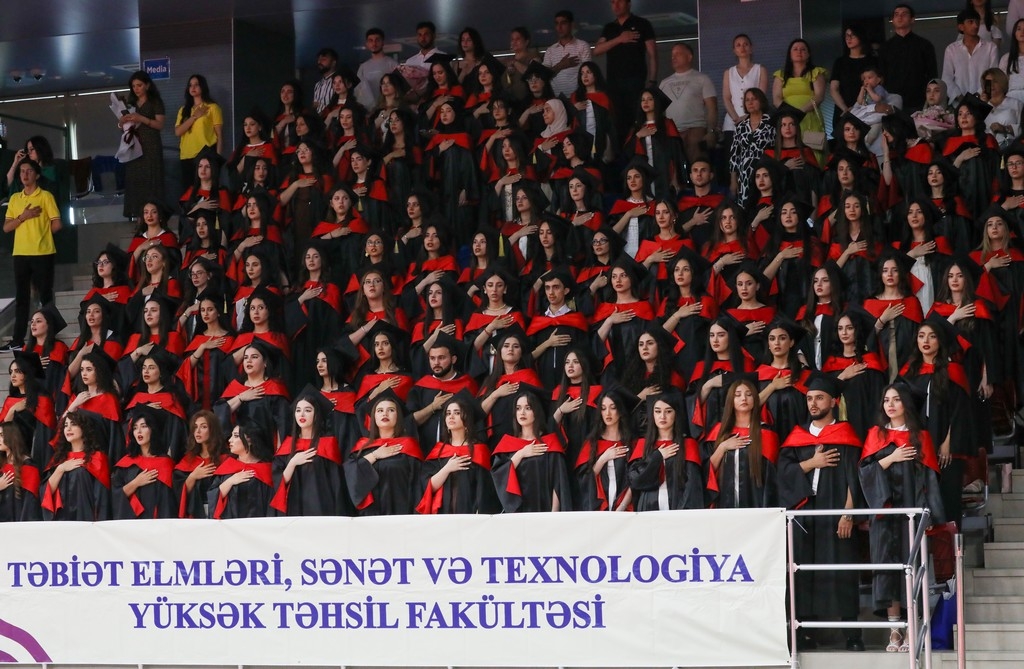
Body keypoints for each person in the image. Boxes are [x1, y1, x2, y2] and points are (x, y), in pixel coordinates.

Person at [777, 373, 865, 652]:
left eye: (819, 398)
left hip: (836, 509)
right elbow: (783, 473)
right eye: (809, 398)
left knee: (842, 569)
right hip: (804, 511)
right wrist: (812, 463)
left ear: (833, 401)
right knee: (802, 571)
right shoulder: (797, 436)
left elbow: (855, 476)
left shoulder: (846, 434)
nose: (813, 403)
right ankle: (804, 632)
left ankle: (852, 633)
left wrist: (848, 513)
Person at [859, 383, 944, 652]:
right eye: (886, 400)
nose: (890, 405)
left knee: (911, 568)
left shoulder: (921, 437)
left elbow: (930, 478)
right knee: (887, 570)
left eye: (896, 399)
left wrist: (929, 515)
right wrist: (892, 457)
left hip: (911, 514)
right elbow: (865, 473)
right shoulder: (876, 434)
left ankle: (912, 628)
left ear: (906, 403)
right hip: (885, 515)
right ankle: (894, 631)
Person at [2, 158, 62, 351]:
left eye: (29, 171)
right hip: (20, 253)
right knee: (22, 297)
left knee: (45, 295)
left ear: (36, 175)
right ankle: (18, 340)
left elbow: (57, 223)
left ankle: (50, 337)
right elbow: (6, 227)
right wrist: (23, 217)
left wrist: (42, 235)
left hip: (43, 252)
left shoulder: (45, 196)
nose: (25, 174)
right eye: (22, 171)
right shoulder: (15, 198)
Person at [491, 389, 573, 512]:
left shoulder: (549, 444)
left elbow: (558, 482)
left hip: (545, 511)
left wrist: (553, 514)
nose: (522, 412)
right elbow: (499, 475)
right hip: (518, 513)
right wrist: (521, 454)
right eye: (518, 408)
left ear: (536, 412)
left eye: (528, 408)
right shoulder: (507, 445)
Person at [417, 392, 499, 514]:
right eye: (448, 413)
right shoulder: (439, 451)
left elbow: (485, 490)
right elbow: (429, 486)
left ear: (467, 420)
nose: (451, 416)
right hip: (442, 513)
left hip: (470, 514)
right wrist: (447, 468)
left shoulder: (479, 450)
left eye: (457, 413)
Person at [345, 390, 424, 516]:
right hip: (370, 517)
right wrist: (375, 455)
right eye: (380, 410)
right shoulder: (363, 447)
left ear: (398, 416)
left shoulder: (409, 446)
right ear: (374, 417)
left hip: (402, 515)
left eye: (391, 410)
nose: (385, 413)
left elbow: (417, 486)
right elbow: (351, 474)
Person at [270, 386, 345, 516]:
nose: (302, 414)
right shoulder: (287, 446)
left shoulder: (327, 444)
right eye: (298, 410)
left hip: (322, 510)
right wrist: (292, 463)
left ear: (317, 415)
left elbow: (336, 486)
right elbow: (278, 483)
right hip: (293, 510)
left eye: (308, 410)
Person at [594, 0, 657, 144]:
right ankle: (621, 156)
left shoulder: (642, 24)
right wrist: (620, 39)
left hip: (636, 81)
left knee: (637, 121)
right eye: (613, 2)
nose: (616, 5)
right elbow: (597, 50)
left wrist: (652, 80)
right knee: (617, 124)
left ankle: (638, 153)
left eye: (619, 1)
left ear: (628, 3)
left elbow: (652, 54)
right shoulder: (610, 27)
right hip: (613, 84)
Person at [628, 392, 704, 511]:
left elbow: (692, 487)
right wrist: (657, 457)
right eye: (658, 411)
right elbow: (636, 480)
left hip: (678, 509)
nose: (662, 416)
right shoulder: (643, 445)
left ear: (676, 414)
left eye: (668, 411)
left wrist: (681, 514)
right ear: (652, 414)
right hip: (648, 508)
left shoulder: (687, 445)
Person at [40, 411, 111, 521]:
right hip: (62, 521)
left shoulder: (97, 458)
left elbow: (102, 498)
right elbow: (46, 493)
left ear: (84, 428)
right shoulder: (59, 459)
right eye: (65, 425)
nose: (68, 429)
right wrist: (61, 469)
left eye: (73, 424)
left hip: (87, 520)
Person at [111, 406, 176, 520]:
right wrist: (136, 483)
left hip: (157, 523)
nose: (139, 431)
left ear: (152, 430)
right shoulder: (126, 463)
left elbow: (168, 502)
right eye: (135, 428)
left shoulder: (165, 463)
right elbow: (114, 495)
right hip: (131, 523)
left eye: (144, 426)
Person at [660, 43, 719, 165]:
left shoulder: (702, 79)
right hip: (673, 133)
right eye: (672, 55)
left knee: (698, 166)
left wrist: (711, 132)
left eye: (678, 54)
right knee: (675, 169)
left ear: (689, 56)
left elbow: (712, 107)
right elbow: (658, 110)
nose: (673, 57)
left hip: (696, 129)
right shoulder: (664, 83)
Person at [118, 70, 166, 219]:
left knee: (151, 180)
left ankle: (155, 216)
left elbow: (160, 124)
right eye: (133, 86)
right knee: (135, 180)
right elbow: (124, 126)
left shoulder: (155, 102)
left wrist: (141, 118)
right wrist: (121, 122)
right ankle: (139, 217)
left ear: (147, 85)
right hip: (134, 145)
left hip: (151, 145)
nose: (136, 89)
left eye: (139, 85)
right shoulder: (130, 103)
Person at [773, 39, 827, 165]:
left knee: (813, 153)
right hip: (787, 121)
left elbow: (819, 96)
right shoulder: (781, 75)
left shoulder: (815, 72)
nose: (799, 52)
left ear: (808, 54)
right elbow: (776, 98)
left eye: (803, 49)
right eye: (795, 49)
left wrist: (799, 112)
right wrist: (790, 115)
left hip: (809, 118)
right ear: (790, 54)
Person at [208, 421, 274, 519]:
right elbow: (213, 497)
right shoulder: (227, 467)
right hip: (231, 525)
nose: (230, 440)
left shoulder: (266, 469)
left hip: (259, 526)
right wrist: (230, 481)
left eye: (235, 436)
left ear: (250, 440)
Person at [879, 4, 938, 112]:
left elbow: (932, 74)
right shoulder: (885, 47)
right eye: (896, 14)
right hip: (892, 101)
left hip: (919, 100)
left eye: (904, 14)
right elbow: (881, 76)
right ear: (892, 20)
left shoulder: (924, 45)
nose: (900, 17)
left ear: (912, 19)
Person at [722, 34, 770, 162]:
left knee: (754, 158)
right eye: (738, 45)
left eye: (745, 44)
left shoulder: (760, 69)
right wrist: (736, 118)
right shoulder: (729, 72)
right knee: (732, 158)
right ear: (734, 50)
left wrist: (747, 117)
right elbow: (726, 98)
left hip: (755, 120)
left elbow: (761, 97)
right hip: (732, 122)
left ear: (751, 48)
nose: (742, 47)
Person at [174, 74, 224, 193]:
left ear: (203, 86)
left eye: (196, 84)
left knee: (206, 189)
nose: (193, 87)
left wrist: (217, 159)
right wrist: (194, 116)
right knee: (189, 191)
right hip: (186, 155)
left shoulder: (212, 107)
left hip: (206, 154)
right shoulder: (184, 110)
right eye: (190, 85)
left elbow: (219, 135)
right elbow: (178, 131)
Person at [830, 25, 882, 131]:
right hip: (844, 110)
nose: (848, 38)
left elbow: (880, 85)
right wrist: (845, 109)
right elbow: (834, 89)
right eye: (846, 36)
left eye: (852, 35)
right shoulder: (840, 62)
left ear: (861, 37)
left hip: (869, 110)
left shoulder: (873, 61)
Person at [942, 7, 999, 102]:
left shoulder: (991, 47)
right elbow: (946, 78)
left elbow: (993, 75)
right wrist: (959, 97)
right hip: (958, 103)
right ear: (961, 27)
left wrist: (978, 96)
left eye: (977, 22)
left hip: (984, 102)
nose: (975, 25)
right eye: (970, 22)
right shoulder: (951, 49)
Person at [0, 423, 42, 522]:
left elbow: (30, 504)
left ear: (11, 436)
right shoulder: (2, 465)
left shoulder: (28, 467)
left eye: (1, 435)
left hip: (19, 522)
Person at [543, 11, 591, 98]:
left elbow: (588, 73)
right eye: (557, 24)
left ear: (571, 25)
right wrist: (561, 65)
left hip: (578, 97)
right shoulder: (550, 50)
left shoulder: (582, 46)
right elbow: (543, 76)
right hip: (556, 99)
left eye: (563, 23)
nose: (559, 27)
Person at [355, 28, 399, 110]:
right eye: (370, 41)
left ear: (383, 42)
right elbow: (358, 91)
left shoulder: (392, 64)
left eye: (377, 40)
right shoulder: (363, 67)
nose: (374, 43)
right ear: (367, 44)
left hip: (389, 108)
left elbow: (399, 89)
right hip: (369, 111)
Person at [400, 22, 443, 97]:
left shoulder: (443, 57)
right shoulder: (410, 61)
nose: (423, 38)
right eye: (420, 35)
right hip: (415, 102)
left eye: (426, 34)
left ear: (434, 35)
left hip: (438, 99)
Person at [312, 48, 339, 114]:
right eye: (318, 59)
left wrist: (319, 105)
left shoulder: (340, 82)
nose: (319, 62)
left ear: (333, 63)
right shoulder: (318, 85)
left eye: (323, 59)